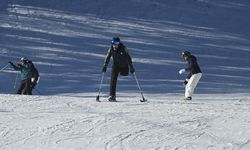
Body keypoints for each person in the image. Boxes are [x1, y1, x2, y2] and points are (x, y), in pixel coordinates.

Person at [102, 37, 135, 101]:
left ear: (119, 43)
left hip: (124, 66)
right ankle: (112, 95)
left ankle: (124, 71)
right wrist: (105, 66)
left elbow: (129, 58)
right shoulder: (111, 49)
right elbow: (107, 57)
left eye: (116, 43)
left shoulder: (123, 48)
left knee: (125, 74)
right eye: (114, 43)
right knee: (113, 79)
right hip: (116, 65)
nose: (115, 45)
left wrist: (131, 66)